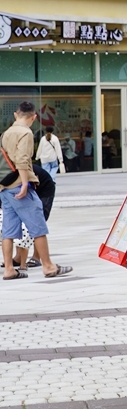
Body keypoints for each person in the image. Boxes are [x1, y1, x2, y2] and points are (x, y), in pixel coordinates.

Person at [2, 102, 71, 280]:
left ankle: (9, 268)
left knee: (8, 230)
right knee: (38, 226)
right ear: (33, 117)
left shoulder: (6, 133)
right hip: (19, 185)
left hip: (5, 187)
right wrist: (25, 184)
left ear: (16, 115)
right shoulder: (26, 132)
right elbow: (23, 160)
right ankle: (48, 266)